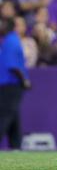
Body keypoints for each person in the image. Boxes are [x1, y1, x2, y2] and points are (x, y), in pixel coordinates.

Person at [0, 17, 31, 149]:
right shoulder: (11, 40)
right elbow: (13, 65)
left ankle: (16, 147)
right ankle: (16, 146)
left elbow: (13, 65)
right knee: (8, 116)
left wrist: (23, 80)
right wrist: (24, 80)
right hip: (9, 85)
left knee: (10, 117)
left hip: (9, 84)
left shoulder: (10, 40)